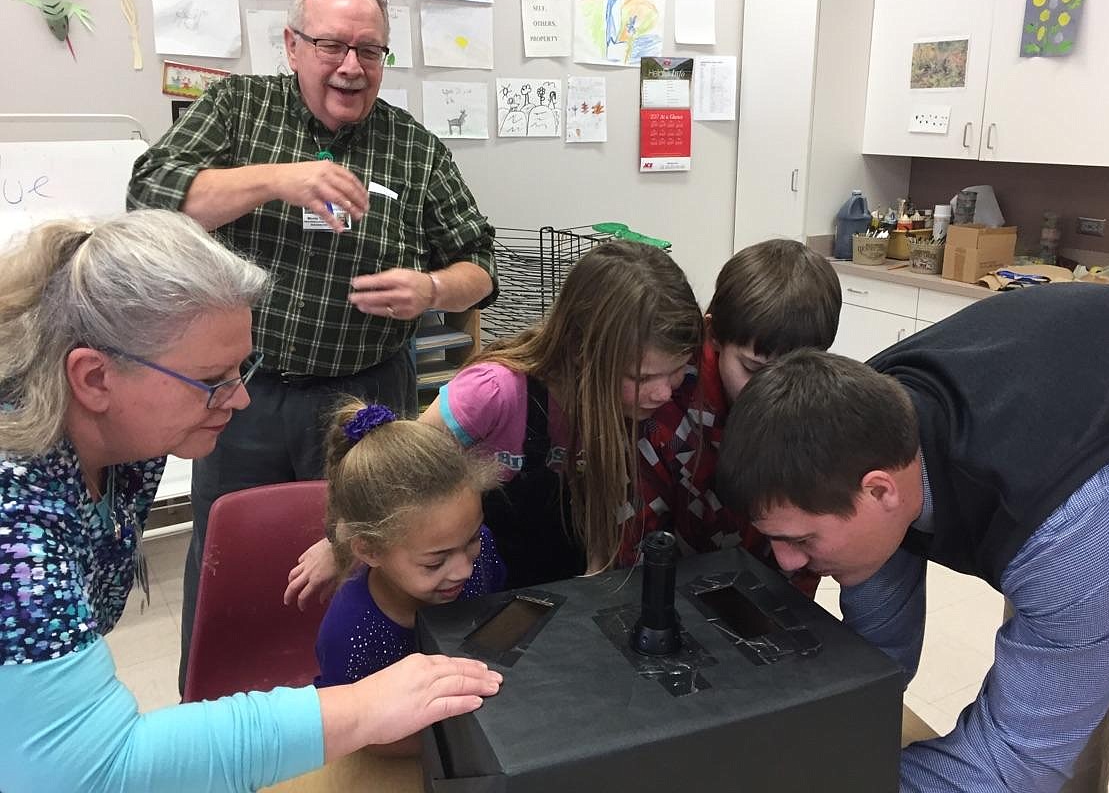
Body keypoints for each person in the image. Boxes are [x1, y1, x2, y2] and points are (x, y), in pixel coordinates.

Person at [0, 212, 501, 793]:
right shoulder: (15, 525)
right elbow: (99, 769)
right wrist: (364, 708)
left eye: (244, 367)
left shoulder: (122, 444)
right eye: (213, 378)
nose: (239, 398)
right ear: (94, 378)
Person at [126, 0, 498, 688]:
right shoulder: (239, 111)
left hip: (367, 395)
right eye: (332, 46)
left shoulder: (415, 148)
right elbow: (151, 196)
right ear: (292, 45)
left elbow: (481, 265)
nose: (352, 67)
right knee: (235, 554)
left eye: (369, 51)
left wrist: (431, 288)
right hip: (243, 395)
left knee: (377, 557)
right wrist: (278, 177)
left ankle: (361, 698)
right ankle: (219, 700)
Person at [716, 282, 1109, 793]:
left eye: (804, 540)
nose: (788, 563)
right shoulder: (871, 422)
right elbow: (878, 663)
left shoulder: (1066, 533)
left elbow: (1016, 758)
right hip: (1099, 448)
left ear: (880, 490)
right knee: (1072, 766)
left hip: (1095, 493)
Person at [283, 240, 701, 601]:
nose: (664, 393)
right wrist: (337, 540)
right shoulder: (494, 391)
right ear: (583, 350)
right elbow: (393, 469)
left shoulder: (632, 404)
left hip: (555, 588)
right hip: (468, 591)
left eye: (676, 371)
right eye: (642, 377)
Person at [639, 239, 840, 587]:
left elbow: (807, 540)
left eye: (794, 372)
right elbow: (636, 540)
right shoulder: (666, 402)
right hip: (668, 590)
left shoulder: (817, 408)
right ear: (714, 334)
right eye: (753, 369)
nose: (771, 392)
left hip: (768, 594)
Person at [315, 398, 504, 704]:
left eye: (471, 540)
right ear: (370, 550)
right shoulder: (350, 634)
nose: (464, 570)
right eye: (435, 562)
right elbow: (353, 725)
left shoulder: (482, 553)